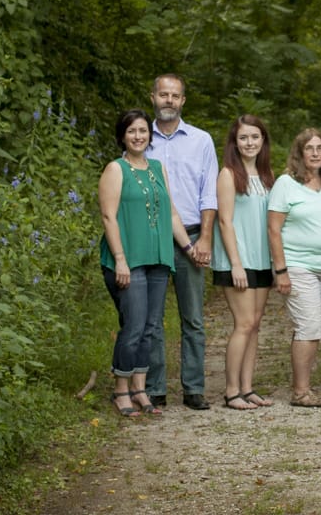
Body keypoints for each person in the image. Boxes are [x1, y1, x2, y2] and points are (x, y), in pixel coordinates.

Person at [99, 109, 196, 417]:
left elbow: (171, 214)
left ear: (149, 136)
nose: (138, 136)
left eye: (143, 130)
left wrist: (188, 247)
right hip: (128, 259)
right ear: (122, 137)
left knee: (152, 328)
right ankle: (120, 390)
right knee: (134, 326)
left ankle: (140, 390)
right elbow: (108, 217)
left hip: (157, 258)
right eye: (132, 131)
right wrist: (120, 260)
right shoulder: (115, 169)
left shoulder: (157, 168)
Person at [146, 74, 219, 410]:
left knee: (193, 318)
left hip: (191, 235)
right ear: (153, 98)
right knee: (153, 317)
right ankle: (155, 387)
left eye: (175, 96)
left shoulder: (201, 141)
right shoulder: (139, 138)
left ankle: (194, 388)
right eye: (164, 95)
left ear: (183, 101)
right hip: (152, 238)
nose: (169, 101)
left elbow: (209, 192)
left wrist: (205, 237)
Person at [267, 128, 321, 408]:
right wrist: (281, 270)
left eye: (320, 148)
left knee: (315, 329)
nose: (314, 153)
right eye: (309, 148)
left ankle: (304, 385)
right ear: (299, 153)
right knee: (308, 327)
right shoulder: (286, 183)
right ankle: (300, 392)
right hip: (298, 267)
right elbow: (274, 230)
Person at [212, 115, 276, 410]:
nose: (249, 143)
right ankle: (231, 391)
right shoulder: (228, 174)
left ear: (263, 140)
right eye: (243, 138)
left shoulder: (266, 175)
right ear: (234, 143)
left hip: (262, 260)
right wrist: (235, 263)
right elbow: (224, 221)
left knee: (256, 324)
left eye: (254, 137)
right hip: (237, 260)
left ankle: (248, 387)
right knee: (244, 323)